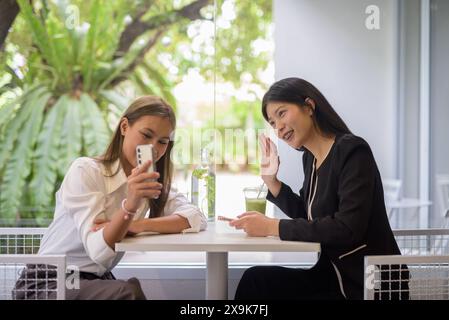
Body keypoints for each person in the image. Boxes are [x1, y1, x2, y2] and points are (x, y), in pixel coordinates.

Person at [229, 78, 408, 300]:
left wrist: (272, 226)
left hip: (367, 285)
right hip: (332, 276)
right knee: (256, 280)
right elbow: (308, 216)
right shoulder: (311, 160)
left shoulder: (352, 151)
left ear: (309, 106)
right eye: (273, 123)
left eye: (281, 113)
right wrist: (272, 182)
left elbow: (348, 228)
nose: (278, 128)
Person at [14, 95, 207, 300]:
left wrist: (137, 225)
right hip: (49, 280)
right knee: (127, 292)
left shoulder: (149, 183)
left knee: (128, 289)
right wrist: (130, 206)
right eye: (146, 135)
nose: (153, 148)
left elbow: (196, 217)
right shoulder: (86, 171)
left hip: (92, 280)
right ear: (124, 127)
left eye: (162, 141)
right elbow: (98, 251)